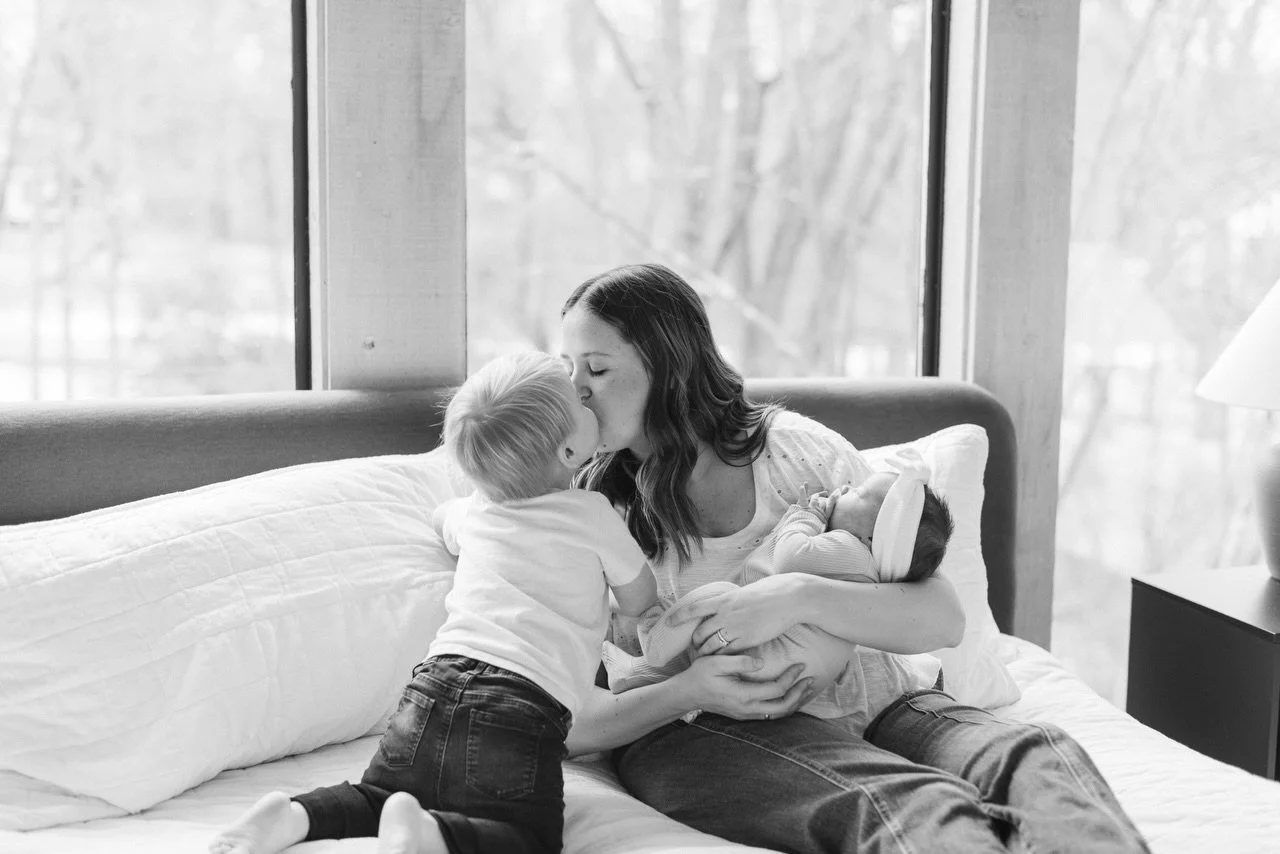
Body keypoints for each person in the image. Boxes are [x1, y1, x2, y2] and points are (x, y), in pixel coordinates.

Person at [558, 263, 1150, 853]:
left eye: (598, 369)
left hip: (886, 705)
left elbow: (941, 618)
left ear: (669, 367)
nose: (576, 390)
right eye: (569, 370)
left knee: (1035, 756)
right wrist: (693, 688)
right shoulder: (588, 507)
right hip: (702, 729)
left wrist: (795, 597)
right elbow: (568, 711)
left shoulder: (798, 456)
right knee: (910, 806)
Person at [208, 350, 658, 854]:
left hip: (432, 686)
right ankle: (434, 836)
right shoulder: (592, 513)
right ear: (571, 452)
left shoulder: (479, 511)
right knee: (528, 840)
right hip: (521, 706)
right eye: (580, 400)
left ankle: (290, 816)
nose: (589, 396)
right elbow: (640, 597)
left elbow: (443, 520)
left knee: (376, 793)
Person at [602, 452, 955, 735]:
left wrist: (805, 514)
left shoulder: (849, 550)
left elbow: (791, 556)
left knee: (714, 600)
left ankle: (652, 635)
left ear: (875, 540)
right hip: (779, 681)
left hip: (776, 668)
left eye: (860, 494)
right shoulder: (864, 564)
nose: (845, 490)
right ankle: (639, 671)